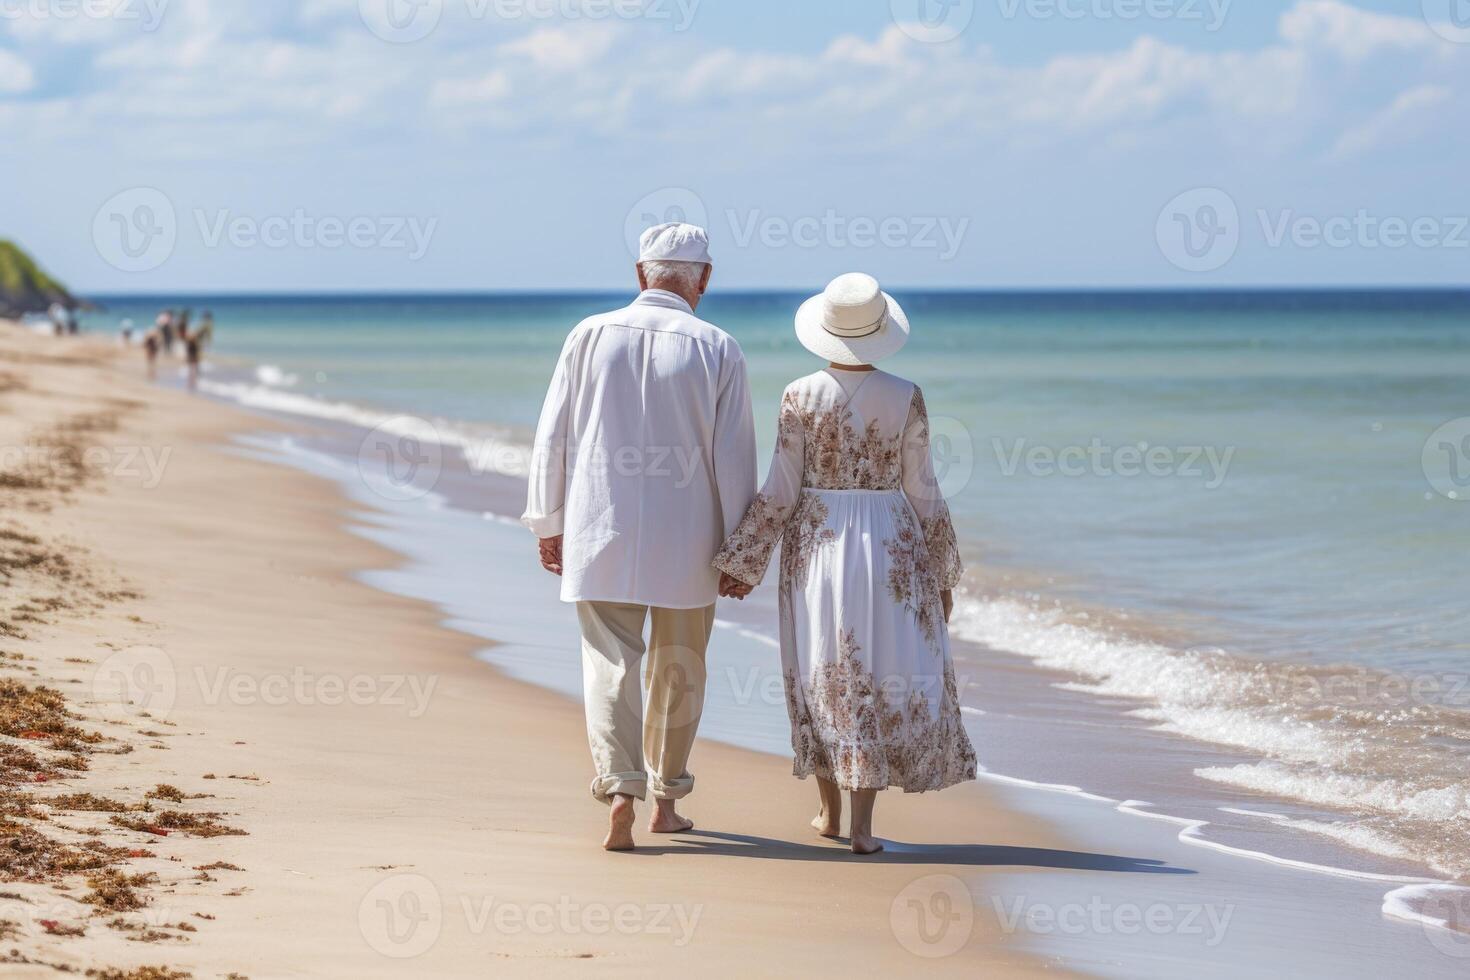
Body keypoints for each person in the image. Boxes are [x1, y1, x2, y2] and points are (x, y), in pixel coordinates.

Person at [713, 273, 976, 855]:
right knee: (880, 667)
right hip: (890, 540)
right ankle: (859, 826)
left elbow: (780, 491)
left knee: (826, 668)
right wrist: (941, 569)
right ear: (880, 331)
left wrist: (741, 559)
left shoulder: (798, 395)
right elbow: (924, 488)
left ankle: (830, 813)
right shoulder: (906, 394)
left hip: (820, 542)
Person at [522, 222, 757, 852]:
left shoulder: (589, 334)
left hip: (599, 529)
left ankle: (620, 789)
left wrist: (549, 521)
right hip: (691, 541)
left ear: (639, 274)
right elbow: (733, 460)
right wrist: (743, 549)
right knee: (679, 668)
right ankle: (666, 801)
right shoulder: (719, 347)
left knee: (609, 662)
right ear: (703, 280)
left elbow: (555, 435)